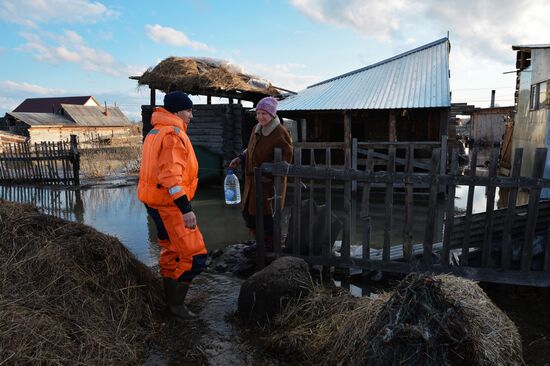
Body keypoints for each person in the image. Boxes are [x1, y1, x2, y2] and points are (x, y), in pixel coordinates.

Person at [138, 91, 207, 320]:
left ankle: (170, 300)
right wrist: (186, 209)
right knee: (194, 257)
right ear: (177, 111)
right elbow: (171, 177)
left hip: (156, 203)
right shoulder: (173, 135)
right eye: (188, 110)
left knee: (172, 252)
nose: (191, 116)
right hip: (171, 206)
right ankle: (176, 307)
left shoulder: (155, 131)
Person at [229, 96, 293, 250]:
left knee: (267, 216)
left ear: (272, 114)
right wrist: (240, 157)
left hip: (269, 184)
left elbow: (287, 157)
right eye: (258, 113)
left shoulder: (280, 132)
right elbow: (251, 148)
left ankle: (269, 246)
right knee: (248, 213)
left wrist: (268, 172)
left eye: (264, 113)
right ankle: (260, 242)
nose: (260, 117)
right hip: (252, 182)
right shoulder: (256, 128)